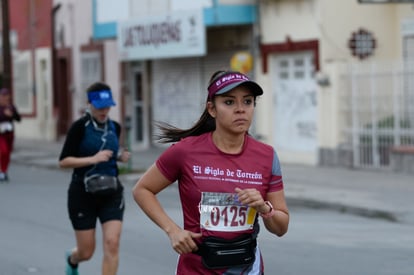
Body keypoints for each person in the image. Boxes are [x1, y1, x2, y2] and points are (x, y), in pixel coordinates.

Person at [132, 70, 289, 274]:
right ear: (212, 109)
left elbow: (281, 227)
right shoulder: (185, 151)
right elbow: (142, 189)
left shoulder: (267, 156)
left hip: (246, 268)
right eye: (229, 102)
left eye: (248, 101)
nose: (241, 109)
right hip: (197, 268)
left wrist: (264, 208)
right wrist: (173, 231)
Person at [59, 82, 130, 275]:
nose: (104, 110)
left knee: (112, 243)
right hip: (82, 194)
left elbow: (109, 151)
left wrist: (119, 156)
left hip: (111, 190)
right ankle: (72, 259)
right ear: (89, 103)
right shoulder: (79, 127)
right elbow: (64, 161)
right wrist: (93, 159)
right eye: (100, 106)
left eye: (107, 106)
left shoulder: (115, 127)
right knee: (86, 252)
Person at [0, 88, 21, 182]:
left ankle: (4, 171)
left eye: (6, 95)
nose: (4, 98)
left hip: (9, 133)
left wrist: (11, 115)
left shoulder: (11, 107)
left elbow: (18, 119)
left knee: (7, 152)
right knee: (3, 151)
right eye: (2, 96)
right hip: (0, 134)